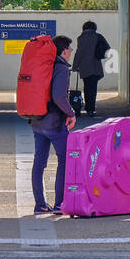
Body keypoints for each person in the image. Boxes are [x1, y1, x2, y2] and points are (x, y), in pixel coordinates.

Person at [30, 34, 77, 213]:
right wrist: (71, 113)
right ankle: (59, 204)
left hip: (37, 120)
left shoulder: (45, 65)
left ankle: (40, 204)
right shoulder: (61, 69)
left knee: (39, 162)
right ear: (64, 51)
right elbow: (59, 96)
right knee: (64, 160)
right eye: (70, 49)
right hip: (54, 124)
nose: (71, 51)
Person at [71, 20, 110, 117]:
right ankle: (91, 109)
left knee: (87, 87)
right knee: (93, 88)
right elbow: (107, 48)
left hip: (85, 67)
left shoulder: (81, 38)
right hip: (96, 66)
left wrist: (75, 66)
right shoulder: (98, 36)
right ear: (94, 28)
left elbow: (79, 53)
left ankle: (89, 108)